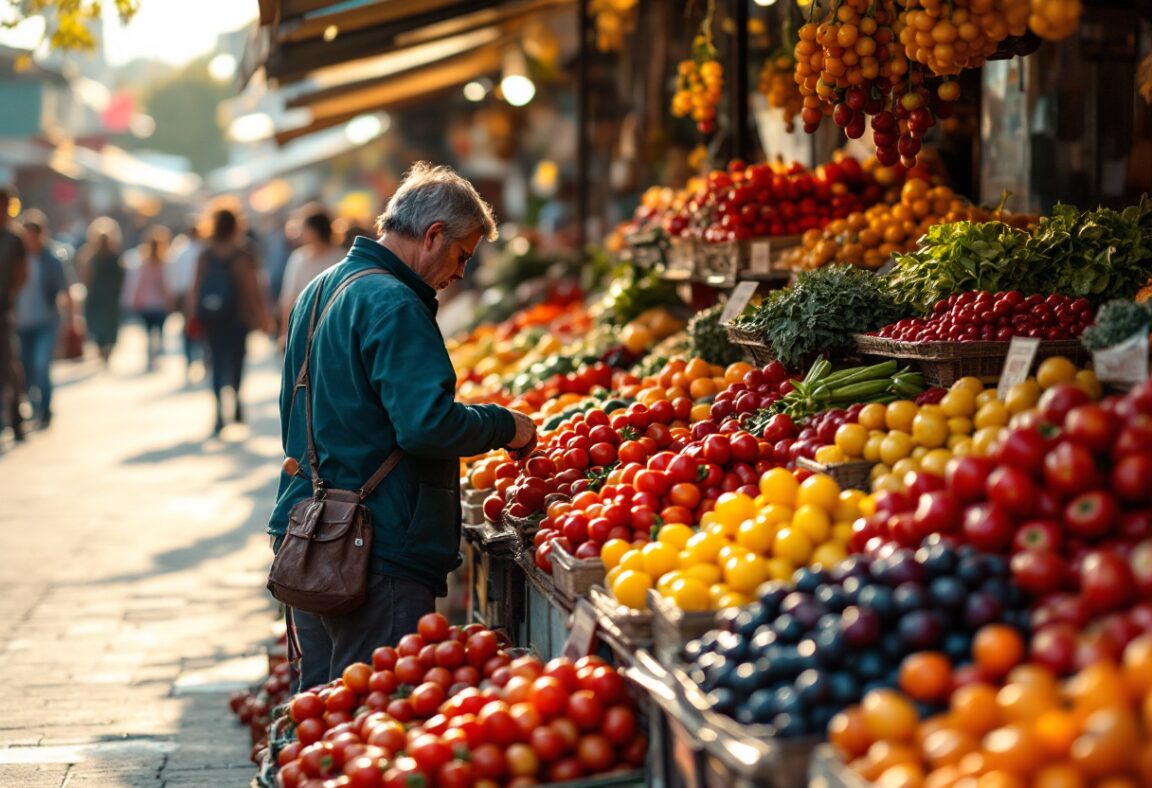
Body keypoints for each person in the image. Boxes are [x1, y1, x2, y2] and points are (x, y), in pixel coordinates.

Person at [269, 162, 537, 690]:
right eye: (461, 256)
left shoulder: (321, 289)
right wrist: (504, 425)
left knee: (325, 714)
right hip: (375, 549)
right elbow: (426, 426)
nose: (460, 273)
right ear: (433, 235)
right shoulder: (394, 303)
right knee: (375, 714)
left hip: (309, 533)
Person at [187, 205, 271, 434]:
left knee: (214, 363)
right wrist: (262, 317)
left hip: (211, 318)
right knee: (237, 362)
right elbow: (253, 288)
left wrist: (192, 316)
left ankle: (218, 413)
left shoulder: (205, 253)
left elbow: (195, 288)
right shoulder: (244, 253)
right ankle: (236, 399)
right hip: (237, 318)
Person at [14, 211, 74, 427]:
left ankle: (45, 410)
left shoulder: (52, 259)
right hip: (20, 323)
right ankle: (35, 406)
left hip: (46, 321)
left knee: (41, 364)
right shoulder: (17, 258)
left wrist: (72, 320)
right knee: (26, 368)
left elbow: (66, 290)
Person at [277, 204, 344, 347]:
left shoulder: (340, 257)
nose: (300, 233)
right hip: (305, 328)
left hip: (336, 327)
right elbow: (288, 299)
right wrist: (285, 332)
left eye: (304, 228)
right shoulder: (298, 258)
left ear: (315, 230)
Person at [77, 217, 126, 366]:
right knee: (104, 326)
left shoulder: (96, 257)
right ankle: (105, 352)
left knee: (101, 326)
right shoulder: (107, 257)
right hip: (106, 298)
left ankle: (103, 351)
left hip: (101, 297)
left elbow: (85, 277)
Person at [0, 187, 27, 443]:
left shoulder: (14, 239)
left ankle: (16, 418)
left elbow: (21, 276)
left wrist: (9, 296)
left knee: (8, 365)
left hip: (3, 312)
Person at [129, 226, 173, 371]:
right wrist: (169, 300)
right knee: (159, 333)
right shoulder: (164, 263)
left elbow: (139, 284)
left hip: (147, 303)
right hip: (159, 304)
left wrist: (135, 299)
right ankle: (157, 356)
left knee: (149, 334)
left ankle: (150, 358)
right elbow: (166, 285)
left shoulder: (144, 263)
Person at [167, 223, 204, 381]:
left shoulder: (180, 252)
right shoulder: (203, 250)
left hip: (184, 294)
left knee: (187, 328)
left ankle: (189, 359)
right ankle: (202, 358)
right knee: (202, 327)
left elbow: (174, 276)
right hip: (201, 294)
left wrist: (173, 297)